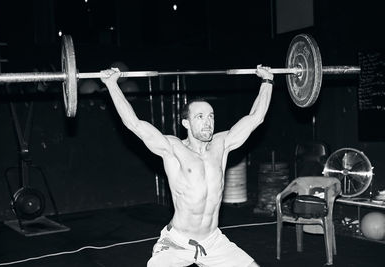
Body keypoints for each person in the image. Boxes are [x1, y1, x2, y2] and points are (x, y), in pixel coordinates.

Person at [100, 65, 274, 267]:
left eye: (211, 116)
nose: (208, 122)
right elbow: (134, 124)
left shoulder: (222, 144)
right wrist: (112, 84)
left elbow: (255, 118)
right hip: (177, 243)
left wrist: (267, 81)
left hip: (212, 241)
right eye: (200, 117)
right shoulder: (173, 148)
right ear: (186, 123)